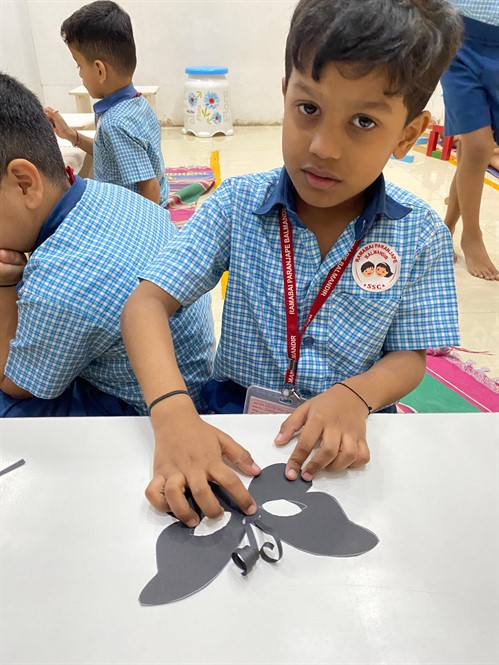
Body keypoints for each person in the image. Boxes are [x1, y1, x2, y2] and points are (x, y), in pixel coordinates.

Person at [121, 0, 463, 527]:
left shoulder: (420, 233)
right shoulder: (235, 205)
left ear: (407, 134)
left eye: (363, 121)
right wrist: (171, 413)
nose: (323, 147)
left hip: (348, 432)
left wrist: (356, 395)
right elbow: (145, 304)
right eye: (308, 108)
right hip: (235, 419)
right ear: (285, 95)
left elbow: (409, 356)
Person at [0, 72, 215, 417]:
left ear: (25, 184)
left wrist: (5, 285)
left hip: (145, 409)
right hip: (195, 371)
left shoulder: (58, 285)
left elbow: (14, 384)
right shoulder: (107, 192)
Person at [44, 0, 168, 207]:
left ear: (100, 70)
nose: (80, 74)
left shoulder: (115, 124)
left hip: (134, 208)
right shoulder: (138, 103)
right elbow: (108, 153)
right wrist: (71, 135)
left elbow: (150, 187)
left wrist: (148, 224)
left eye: (79, 66)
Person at [441, 1, 499, 280]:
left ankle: (447, 227)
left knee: (472, 150)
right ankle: (472, 237)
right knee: (478, 146)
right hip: (458, 38)